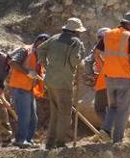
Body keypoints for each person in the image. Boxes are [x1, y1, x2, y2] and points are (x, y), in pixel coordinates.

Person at [93, 11, 130, 144]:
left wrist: (104, 65)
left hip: (110, 78)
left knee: (113, 107)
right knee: (123, 110)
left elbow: (96, 52)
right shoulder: (129, 36)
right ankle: (117, 140)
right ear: (129, 25)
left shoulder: (108, 34)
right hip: (125, 78)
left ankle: (107, 129)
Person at [37, 17, 86, 150]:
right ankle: (59, 142)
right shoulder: (75, 42)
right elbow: (75, 61)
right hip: (64, 83)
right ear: (76, 32)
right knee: (64, 114)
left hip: (51, 81)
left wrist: (44, 64)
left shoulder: (54, 38)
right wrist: (80, 54)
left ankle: (49, 143)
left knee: (55, 113)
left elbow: (40, 49)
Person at [7, 33, 49, 148]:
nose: (43, 46)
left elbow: (40, 71)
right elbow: (13, 63)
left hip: (29, 89)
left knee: (33, 117)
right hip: (20, 88)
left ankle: (28, 140)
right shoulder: (26, 50)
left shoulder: (39, 55)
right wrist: (27, 72)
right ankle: (20, 140)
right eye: (42, 42)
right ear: (38, 41)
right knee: (24, 115)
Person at [82, 27, 111, 121]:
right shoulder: (118, 46)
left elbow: (87, 62)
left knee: (100, 108)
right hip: (122, 80)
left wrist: (91, 75)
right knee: (115, 108)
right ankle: (119, 129)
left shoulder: (97, 48)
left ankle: (109, 130)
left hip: (105, 82)